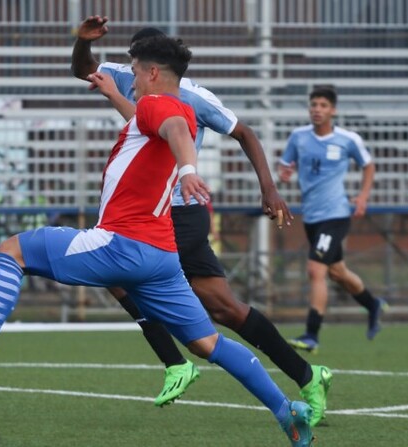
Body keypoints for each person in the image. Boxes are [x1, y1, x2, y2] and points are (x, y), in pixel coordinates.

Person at [0, 36, 314, 446]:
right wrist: (112, 95)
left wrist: (188, 170)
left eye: (136, 71)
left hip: (120, 243)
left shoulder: (163, 107)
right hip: (161, 257)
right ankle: (288, 413)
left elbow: (171, 128)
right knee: (208, 342)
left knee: (12, 249)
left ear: (153, 73)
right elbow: (155, 127)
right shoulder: (170, 110)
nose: (133, 79)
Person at [71, 15, 331, 426]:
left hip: (180, 210)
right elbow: (84, 70)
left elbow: (243, 132)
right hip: (143, 213)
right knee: (118, 276)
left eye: (135, 64)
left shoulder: (194, 96)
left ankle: (305, 374)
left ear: (153, 67)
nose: (128, 71)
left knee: (222, 308)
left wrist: (269, 187)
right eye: (128, 63)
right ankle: (177, 363)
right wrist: (82, 42)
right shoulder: (125, 76)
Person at [278, 86, 387, 353]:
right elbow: (285, 163)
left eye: (323, 105)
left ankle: (311, 334)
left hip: (336, 214)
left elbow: (369, 165)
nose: (317, 109)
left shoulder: (347, 139)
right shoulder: (298, 137)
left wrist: (362, 197)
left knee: (316, 269)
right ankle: (372, 304)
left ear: (333, 110)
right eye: (314, 104)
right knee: (338, 272)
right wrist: (285, 172)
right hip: (312, 217)